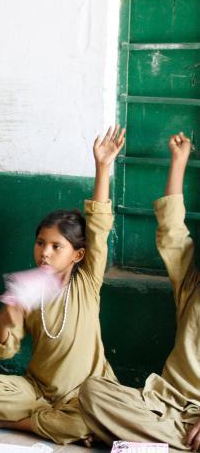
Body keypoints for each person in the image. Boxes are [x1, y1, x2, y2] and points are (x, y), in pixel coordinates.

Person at [0, 126, 126, 445]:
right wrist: (5, 323)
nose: (45, 253)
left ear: (78, 254)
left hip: (86, 393)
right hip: (37, 389)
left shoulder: (86, 280)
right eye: (40, 243)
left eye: (55, 246)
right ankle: (47, 419)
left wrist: (103, 167)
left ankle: (18, 423)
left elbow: (99, 227)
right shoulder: (28, 288)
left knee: (92, 418)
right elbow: (6, 351)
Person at [79, 132, 200, 451]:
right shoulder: (192, 287)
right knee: (93, 392)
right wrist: (178, 162)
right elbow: (173, 234)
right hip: (164, 408)